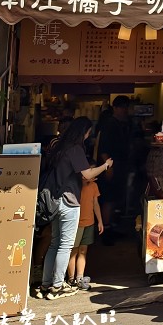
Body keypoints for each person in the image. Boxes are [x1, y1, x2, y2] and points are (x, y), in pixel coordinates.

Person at [37, 116, 112, 300]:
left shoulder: (59, 147)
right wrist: (105, 166)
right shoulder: (76, 149)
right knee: (66, 245)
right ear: (84, 132)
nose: (88, 136)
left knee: (55, 243)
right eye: (88, 132)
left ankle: (46, 284)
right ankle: (57, 285)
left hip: (54, 201)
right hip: (69, 202)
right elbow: (87, 175)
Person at [96, 95, 133, 242]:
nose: (125, 110)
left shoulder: (123, 123)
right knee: (109, 198)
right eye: (123, 107)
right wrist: (108, 167)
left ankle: (110, 227)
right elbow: (103, 148)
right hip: (111, 166)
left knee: (114, 197)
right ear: (116, 108)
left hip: (120, 165)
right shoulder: (110, 124)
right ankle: (105, 231)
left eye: (126, 107)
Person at [65, 173, 103, 291]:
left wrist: (100, 221)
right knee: (73, 250)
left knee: (83, 250)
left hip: (89, 222)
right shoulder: (75, 185)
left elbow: (95, 203)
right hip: (76, 223)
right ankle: (71, 279)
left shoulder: (94, 186)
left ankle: (79, 278)